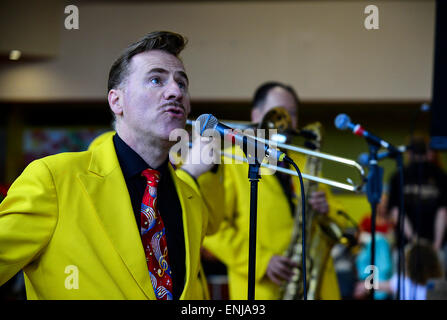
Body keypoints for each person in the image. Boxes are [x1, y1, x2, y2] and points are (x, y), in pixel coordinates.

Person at [0, 31, 222, 300]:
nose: (175, 91)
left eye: (182, 84)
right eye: (156, 80)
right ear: (116, 101)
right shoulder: (54, 179)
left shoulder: (190, 199)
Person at [194, 81, 348, 299]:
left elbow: (340, 219)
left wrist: (327, 209)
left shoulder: (306, 162)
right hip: (263, 289)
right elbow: (212, 229)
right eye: (277, 112)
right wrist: (260, 261)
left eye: (292, 113)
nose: (286, 120)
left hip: (317, 284)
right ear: (256, 115)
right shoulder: (231, 161)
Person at [388, 135, 447, 251]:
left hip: (432, 243)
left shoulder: (440, 176)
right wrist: (415, 240)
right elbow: (397, 212)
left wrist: (436, 245)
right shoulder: (399, 176)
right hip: (408, 244)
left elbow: (443, 211)